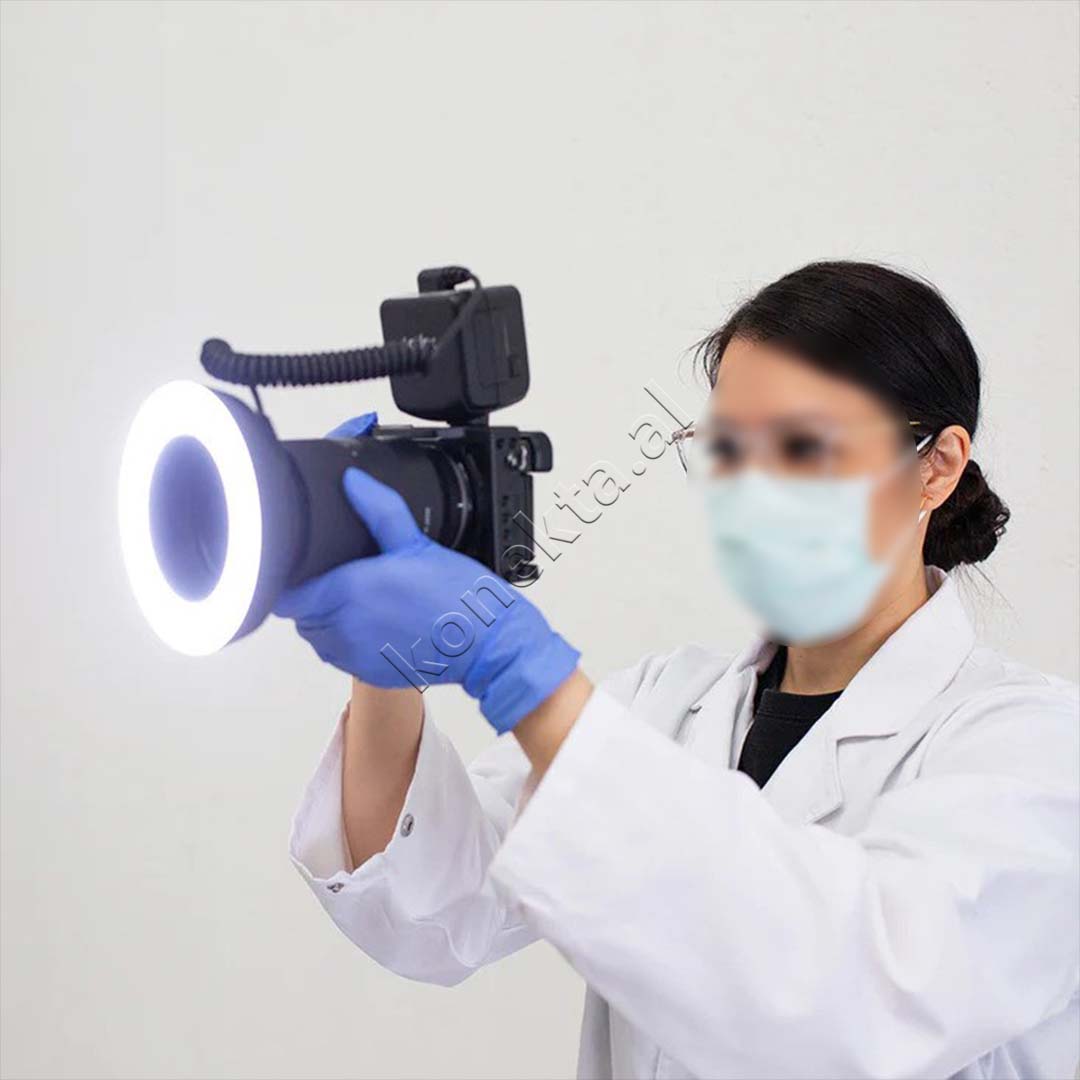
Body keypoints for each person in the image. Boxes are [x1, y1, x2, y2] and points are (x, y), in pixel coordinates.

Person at [276, 262, 1079, 1080]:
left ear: (937, 465)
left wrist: (523, 675)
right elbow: (430, 911)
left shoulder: (1034, 750)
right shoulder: (667, 703)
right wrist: (389, 662)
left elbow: (851, 1004)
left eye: (802, 446)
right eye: (728, 448)